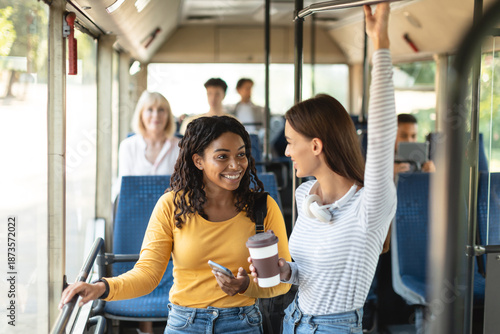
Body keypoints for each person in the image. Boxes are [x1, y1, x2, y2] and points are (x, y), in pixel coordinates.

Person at [59, 116, 292, 334]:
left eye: (241, 155)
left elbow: (282, 283)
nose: (236, 165)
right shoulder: (171, 205)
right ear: (198, 161)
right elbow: (147, 274)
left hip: (242, 323)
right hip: (185, 324)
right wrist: (101, 287)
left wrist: (245, 286)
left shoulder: (263, 207)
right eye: (222, 156)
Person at [249, 4, 396, 333]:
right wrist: (285, 271)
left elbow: (384, 132)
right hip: (294, 318)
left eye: (290, 142)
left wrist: (380, 43)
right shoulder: (305, 195)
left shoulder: (369, 205)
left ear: (316, 146)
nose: (285, 151)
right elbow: (307, 273)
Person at [115, 90, 180, 333]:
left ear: (168, 115)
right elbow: (126, 189)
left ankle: (173, 320)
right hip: (135, 218)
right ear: (141, 114)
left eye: (161, 110)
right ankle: (146, 327)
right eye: (150, 110)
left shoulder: (178, 147)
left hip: (171, 217)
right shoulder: (128, 147)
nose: (155, 115)